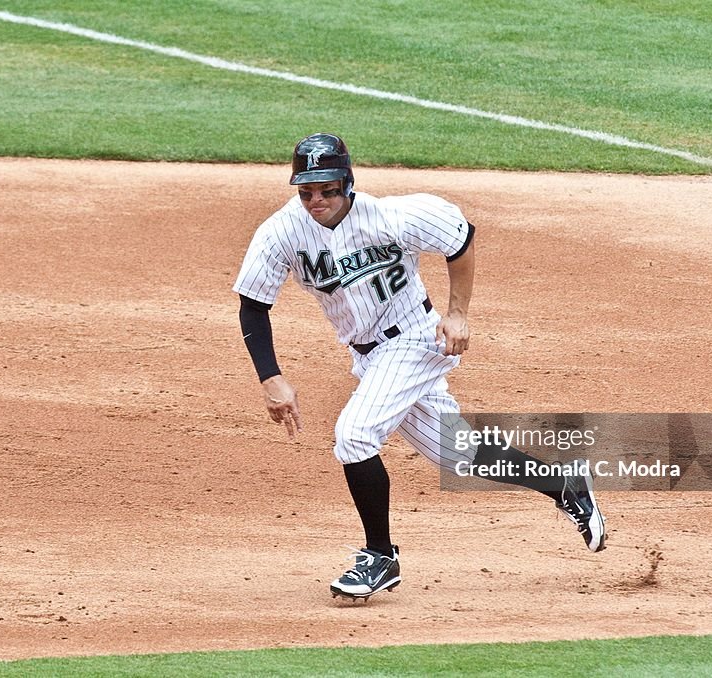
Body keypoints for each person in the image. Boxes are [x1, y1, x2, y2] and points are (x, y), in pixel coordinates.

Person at [233, 133, 606, 601]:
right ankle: (565, 485)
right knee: (458, 454)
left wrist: (458, 313)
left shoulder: (391, 217)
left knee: (355, 434)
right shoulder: (282, 232)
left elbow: (460, 236)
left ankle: (380, 556)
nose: (316, 200)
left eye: (327, 189)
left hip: (414, 339)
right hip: (366, 355)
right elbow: (253, 305)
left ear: (347, 183)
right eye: (306, 191)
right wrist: (271, 378)